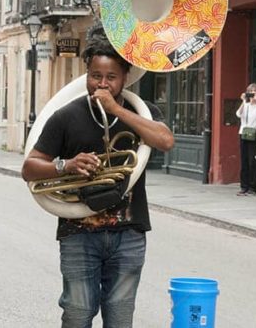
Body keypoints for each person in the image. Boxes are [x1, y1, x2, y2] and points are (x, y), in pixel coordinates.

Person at [22, 33, 174, 327]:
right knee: (77, 313)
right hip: (78, 232)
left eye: (111, 77)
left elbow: (166, 141)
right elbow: (29, 167)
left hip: (129, 231)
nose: (102, 84)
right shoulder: (65, 116)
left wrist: (116, 109)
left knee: (120, 316)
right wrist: (67, 165)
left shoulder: (141, 112)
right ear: (86, 75)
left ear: (125, 77)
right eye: (95, 76)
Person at [236, 83, 256, 196]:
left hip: (254, 134)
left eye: (254, 92)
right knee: (244, 161)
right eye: (250, 92)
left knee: (252, 161)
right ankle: (244, 186)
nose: (252, 94)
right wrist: (244, 101)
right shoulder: (246, 105)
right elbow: (238, 114)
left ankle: (253, 186)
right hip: (244, 133)